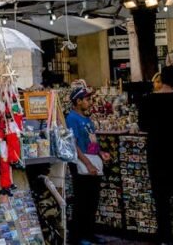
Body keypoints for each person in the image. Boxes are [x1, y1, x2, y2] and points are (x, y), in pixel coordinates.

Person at [138, 66, 173, 244]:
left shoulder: (146, 101)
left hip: (156, 154)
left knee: (161, 200)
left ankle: (165, 237)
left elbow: (142, 126)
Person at [66, 85, 110, 245]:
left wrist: (100, 153)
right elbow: (74, 144)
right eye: (86, 99)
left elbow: (91, 142)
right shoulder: (72, 119)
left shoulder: (87, 120)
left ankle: (89, 233)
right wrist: (87, 163)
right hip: (82, 164)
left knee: (92, 200)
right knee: (82, 201)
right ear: (78, 101)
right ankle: (79, 236)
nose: (89, 102)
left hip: (91, 161)